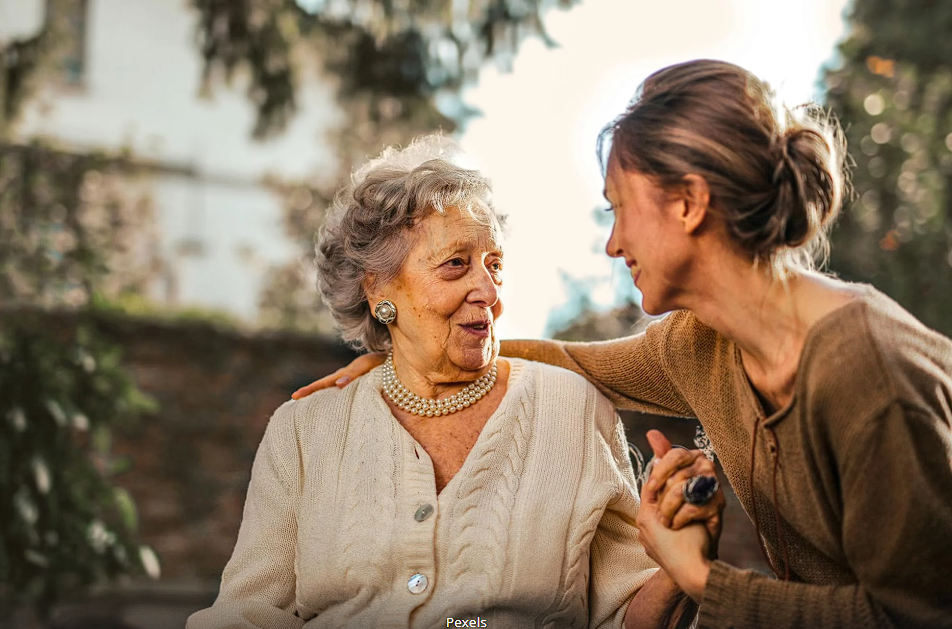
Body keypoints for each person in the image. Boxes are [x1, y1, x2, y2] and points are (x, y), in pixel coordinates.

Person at [293, 60, 952, 629]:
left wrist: (702, 579)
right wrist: (409, 353)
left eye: (618, 208)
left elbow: (916, 616)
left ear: (689, 203)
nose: (613, 244)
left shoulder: (868, 374)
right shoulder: (702, 343)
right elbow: (573, 362)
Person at [188, 136, 710, 629]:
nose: (487, 290)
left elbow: (622, 616)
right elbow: (246, 613)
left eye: (495, 265)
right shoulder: (305, 430)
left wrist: (676, 567)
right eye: (456, 265)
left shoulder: (572, 410)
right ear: (378, 289)